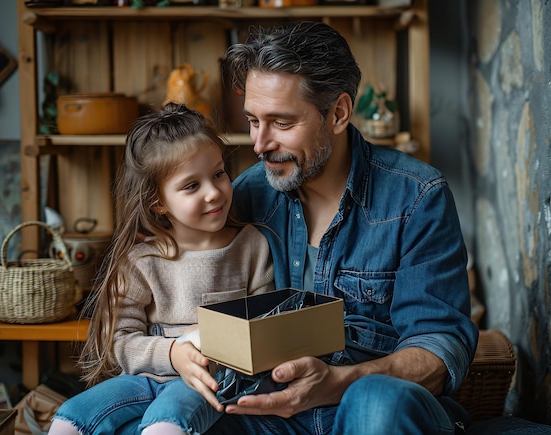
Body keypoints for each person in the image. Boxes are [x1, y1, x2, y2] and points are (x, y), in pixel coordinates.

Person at [200, 21, 479, 434]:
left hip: (373, 410)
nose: (259, 144)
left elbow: (439, 348)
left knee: (376, 400)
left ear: (339, 113)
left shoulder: (417, 197)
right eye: (253, 121)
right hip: (277, 415)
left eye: (281, 122)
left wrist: (335, 384)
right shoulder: (245, 196)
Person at [48, 102, 275, 435]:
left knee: (165, 425)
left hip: (209, 379)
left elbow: (264, 328)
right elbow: (121, 341)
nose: (214, 193)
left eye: (218, 174)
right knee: (69, 417)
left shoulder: (251, 246)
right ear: (158, 201)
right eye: (191, 186)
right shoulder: (142, 260)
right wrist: (173, 354)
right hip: (144, 378)